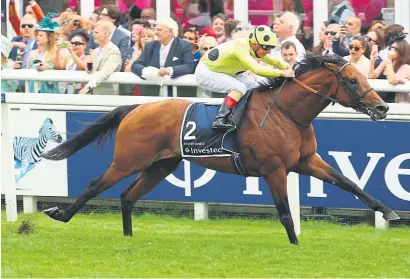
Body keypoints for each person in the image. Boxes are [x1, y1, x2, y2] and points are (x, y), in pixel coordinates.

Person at [195, 25, 295, 129]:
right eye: (267, 47)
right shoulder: (240, 47)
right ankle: (221, 119)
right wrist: (282, 73)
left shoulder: (254, 47)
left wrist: (290, 68)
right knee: (239, 87)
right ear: (256, 45)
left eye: (271, 48)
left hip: (223, 71)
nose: (269, 51)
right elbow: (257, 69)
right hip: (206, 71)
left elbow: (276, 61)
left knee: (254, 85)